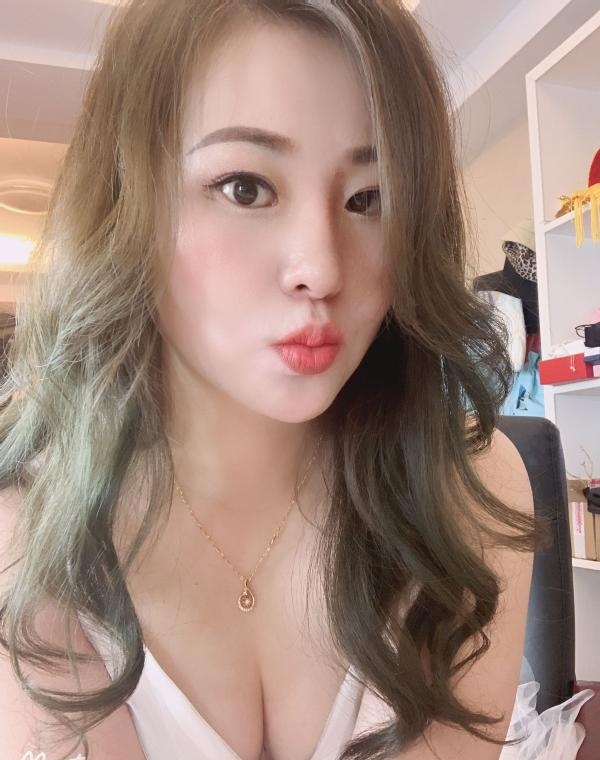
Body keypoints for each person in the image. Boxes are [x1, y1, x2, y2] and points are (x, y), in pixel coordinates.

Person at [0, 2, 544, 759]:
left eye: (369, 198)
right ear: (129, 203)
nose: (320, 268)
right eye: (246, 188)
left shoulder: (468, 493)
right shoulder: (23, 536)